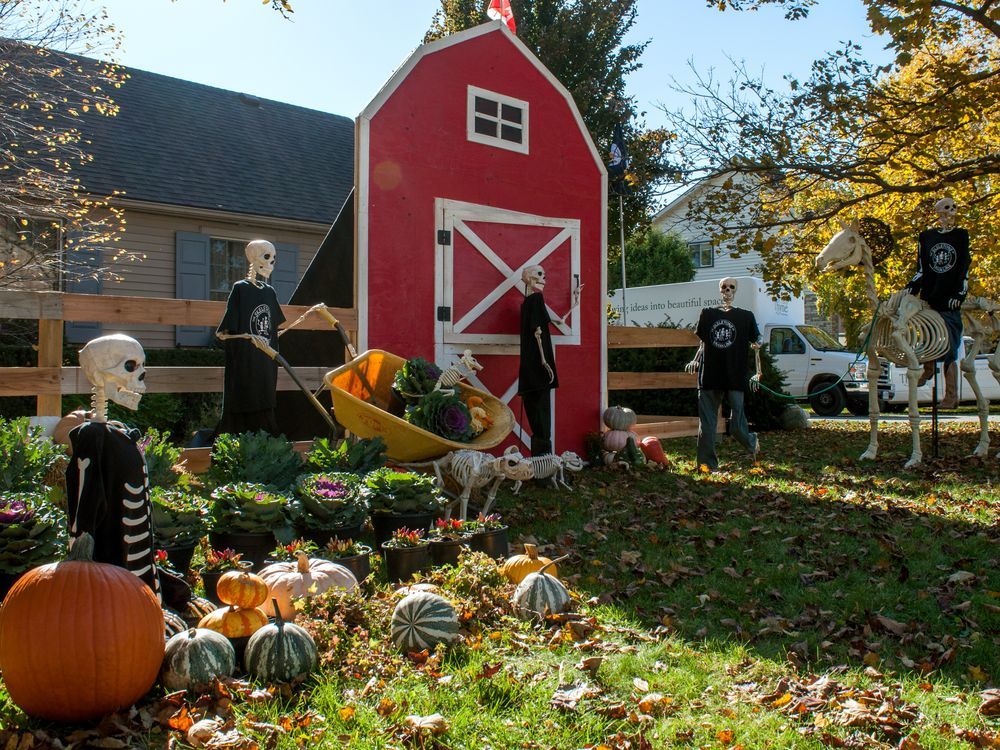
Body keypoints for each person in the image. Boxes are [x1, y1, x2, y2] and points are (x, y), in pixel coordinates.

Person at [685, 277, 762, 470]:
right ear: (720, 290)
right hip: (710, 375)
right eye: (724, 287)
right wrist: (696, 359)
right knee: (708, 424)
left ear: (735, 291)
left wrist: (758, 366)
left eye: (731, 288)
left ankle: (751, 442)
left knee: (737, 424)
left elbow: (756, 342)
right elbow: (703, 342)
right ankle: (707, 465)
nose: (727, 291)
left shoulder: (746, 317)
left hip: (735, 376)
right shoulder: (708, 314)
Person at [904, 196, 970, 409]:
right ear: (938, 212)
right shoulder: (927, 237)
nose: (951, 213)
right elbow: (922, 268)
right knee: (925, 335)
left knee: (951, 346)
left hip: (949, 300)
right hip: (930, 297)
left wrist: (959, 295)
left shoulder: (960, 236)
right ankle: (928, 368)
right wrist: (910, 288)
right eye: (947, 209)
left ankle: (951, 396)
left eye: (953, 209)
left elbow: (963, 268)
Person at [215, 239, 286, 436]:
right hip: (245, 364)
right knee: (244, 403)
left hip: (266, 364)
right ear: (254, 258)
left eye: (273, 258)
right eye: (266, 257)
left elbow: (273, 329)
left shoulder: (270, 293)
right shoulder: (241, 289)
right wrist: (248, 336)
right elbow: (222, 334)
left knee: (265, 404)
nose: (271, 263)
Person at [517, 264, 581, 456]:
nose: (544, 278)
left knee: (538, 409)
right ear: (530, 278)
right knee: (540, 411)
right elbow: (537, 332)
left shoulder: (529, 302)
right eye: (539, 274)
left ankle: (542, 463)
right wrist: (544, 362)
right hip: (539, 367)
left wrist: (574, 301)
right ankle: (543, 462)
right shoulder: (535, 300)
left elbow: (554, 322)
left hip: (533, 367)